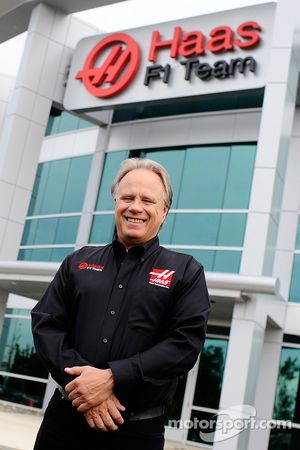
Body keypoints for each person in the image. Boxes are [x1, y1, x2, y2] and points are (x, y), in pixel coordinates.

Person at [31, 157, 211, 450]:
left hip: (135, 434)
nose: (135, 207)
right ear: (115, 203)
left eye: (147, 200)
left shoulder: (187, 273)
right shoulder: (78, 262)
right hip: (63, 425)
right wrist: (85, 387)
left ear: (164, 211)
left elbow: (184, 345)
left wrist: (114, 377)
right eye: (127, 197)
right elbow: (46, 323)